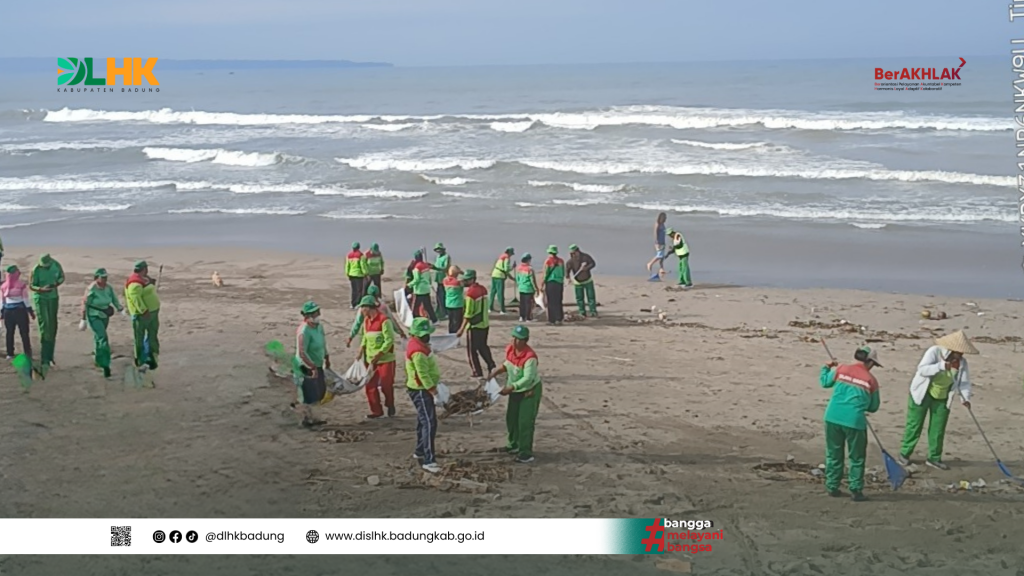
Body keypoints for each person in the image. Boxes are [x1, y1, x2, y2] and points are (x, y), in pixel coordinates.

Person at [899, 331, 978, 470]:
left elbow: (964, 383)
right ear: (952, 348)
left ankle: (934, 458)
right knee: (914, 425)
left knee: (938, 429)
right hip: (922, 393)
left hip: (942, 397)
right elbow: (922, 370)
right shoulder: (934, 352)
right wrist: (940, 366)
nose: (960, 355)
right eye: (958, 352)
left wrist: (965, 398)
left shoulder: (962, 363)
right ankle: (904, 454)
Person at [819, 346, 881, 502]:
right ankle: (855, 490)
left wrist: (826, 367)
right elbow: (873, 407)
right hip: (854, 421)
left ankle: (832, 486)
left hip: (832, 417)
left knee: (833, 454)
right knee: (857, 458)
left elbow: (825, 382)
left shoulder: (841, 369)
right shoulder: (871, 380)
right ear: (869, 362)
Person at [487, 325, 543, 464]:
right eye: (513, 337)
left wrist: (512, 387)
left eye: (518, 339)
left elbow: (528, 378)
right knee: (511, 418)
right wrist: (496, 372)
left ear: (525, 341)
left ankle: (525, 452)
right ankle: (513, 444)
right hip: (515, 391)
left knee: (525, 422)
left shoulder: (530, 357)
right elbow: (508, 363)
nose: (514, 341)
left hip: (528, 391)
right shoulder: (511, 350)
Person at [405, 317, 442, 473]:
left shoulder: (418, 345)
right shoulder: (418, 351)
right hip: (421, 390)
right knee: (429, 423)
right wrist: (433, 391)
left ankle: (420, 450)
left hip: (421, 389)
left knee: (423, 420)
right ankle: (429, 459)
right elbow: (422, 375)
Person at [357, 294, 398, 419]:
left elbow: (389, 340)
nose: (361, 311)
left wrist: (379, 354)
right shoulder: (366, 321)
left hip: (385, 359)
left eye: (363, 308)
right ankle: (376, 411)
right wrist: (361, 349)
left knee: (386, 385)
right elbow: (365, 337)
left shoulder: (384, 320)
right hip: (370, 360)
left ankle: (390, 404)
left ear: (369, 308)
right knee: (370, 386)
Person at [81, 268, 124, 379]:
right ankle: (105, 365)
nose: (105, 279)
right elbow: (85, 303)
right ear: (97, 278)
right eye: (102, 277)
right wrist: (83, 319)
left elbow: (114, 299)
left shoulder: (108, 288)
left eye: (106, 277)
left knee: (98, 337)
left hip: (105, 315)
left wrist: (120, 308)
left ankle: (98, 359)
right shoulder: (92, 289)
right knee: (103, 338)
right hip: (94, 315)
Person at [294, 301, 329, 428]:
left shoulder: (319, 327)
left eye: (318, 312)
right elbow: (302, 352)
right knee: (309, 393)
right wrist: (312, 367)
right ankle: (307, 419)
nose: (317, 315)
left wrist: (326, 357)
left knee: (320, 391)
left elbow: (323, 343)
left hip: (317, 364)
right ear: (307, 316)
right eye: (315, 313)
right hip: (305, 366)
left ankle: (314, 418)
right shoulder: (304, 331)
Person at [456, 269, 495, 378]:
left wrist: (461, 329)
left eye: (466, 280)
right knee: (483, 347)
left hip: (474, 326)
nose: (464, 282)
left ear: (472, 279)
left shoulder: (471, 294)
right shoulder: (483, 289)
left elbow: (468, 314)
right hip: (484, 324)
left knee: (472, 351)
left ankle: (477, 371)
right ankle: (491, 365)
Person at [29, 253, 65, 370]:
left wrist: (55, 284)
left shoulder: (56, 265)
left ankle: (50, 357)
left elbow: (62, 277)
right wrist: (41, 289)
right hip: (41, 299)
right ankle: (44, 358)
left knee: (53, 326)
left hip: (53, 297)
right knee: (45, 327)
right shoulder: (36, 269)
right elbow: (31, 285)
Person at [124, 260, 160, 371]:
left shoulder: (144, 278)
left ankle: (151, 355)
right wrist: (143, 310)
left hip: (153, 312)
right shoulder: (134, 282)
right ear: (144, 269)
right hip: (141, 315)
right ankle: (140, 360)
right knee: (139, 337)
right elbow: (135, 299)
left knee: (152, 334)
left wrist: (151, 283)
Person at [1, 264, 34, 363]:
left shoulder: (3, 286)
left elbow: (2, 301)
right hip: (20, 311)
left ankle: (10, 353)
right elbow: (25, 300)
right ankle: (27, 353)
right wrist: (30, 311)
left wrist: (1, 312)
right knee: (24, 332)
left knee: (9, 333)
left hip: (8, 311)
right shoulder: (21, 285)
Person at [565, 244, 597, 318]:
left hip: (588, 280)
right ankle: (582, 312)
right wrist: (568, 277)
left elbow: (593, 263)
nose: (573, 254)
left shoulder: (586, 257)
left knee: (591, 297)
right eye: (571, 253)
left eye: (574, 253)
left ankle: (593, 311)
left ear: (578, 251)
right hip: (578, 282)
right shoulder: (570, 261)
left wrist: (586, 268)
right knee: (579, 298)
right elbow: (567, 270)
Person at [409, 253, 437, 323]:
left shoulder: (417, 267)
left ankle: (413, 319)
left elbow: (416, 279)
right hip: (426, 289)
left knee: (415, 306)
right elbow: (429, 277)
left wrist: (409, 285)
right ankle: (434, 320)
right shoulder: (426, 266)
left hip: (419, 290)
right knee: (428, 306)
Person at [542, 245, 565, 326]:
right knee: (558, 301)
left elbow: (546, 273)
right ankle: (559, 318)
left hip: (551, 282)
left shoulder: (548, 261)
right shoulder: (561, 261)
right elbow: (563, 272)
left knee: (551, 302)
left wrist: (543, 282)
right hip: (559, 282)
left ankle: (552, 320)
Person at [490, 247, 514, 314]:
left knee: (493, 292)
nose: (511, 255)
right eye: (511, 254)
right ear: (509, 253)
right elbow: (506, 269)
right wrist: (512, 268)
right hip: (500, 276)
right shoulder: (507, 258)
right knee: (500, 293)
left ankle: (490, 308)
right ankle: (502, 310)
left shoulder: (501, 257)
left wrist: (510, 276)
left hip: (494, 274)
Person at [516, 254, 539, 323]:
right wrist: (536, 288)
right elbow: (532, 280)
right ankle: (528, 318)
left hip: (521, 288)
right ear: (528, 260)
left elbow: (517, 279)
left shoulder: (519, 268)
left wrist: (519, 285)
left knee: (522, 303)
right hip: (528, 288)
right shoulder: (530, 269)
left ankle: (521, 316)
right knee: (528, 304)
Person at [345, 242, 368, 309]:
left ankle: (353, 303)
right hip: (359, 275)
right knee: (359, 290)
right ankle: (358, 303)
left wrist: (347, 273)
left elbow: (347, 265)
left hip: (351, 274)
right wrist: (365, 273)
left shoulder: (349, 255)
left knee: (354, 290)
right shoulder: (360, 255)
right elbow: (363, 265)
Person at [646, 212, 669, 281]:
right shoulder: (657, 224)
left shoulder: (663, 224)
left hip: (663, 242)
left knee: (662, 257)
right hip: (658, 242)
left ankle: (661, 269)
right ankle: (650, 264)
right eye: (664, 217)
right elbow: (655, 232)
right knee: (659, 255)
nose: (665, 219)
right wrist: (657, 242)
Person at [443, 265, 465, 334]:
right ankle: (455, 335)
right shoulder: (458, 282)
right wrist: (461, 272)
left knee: (451, 321)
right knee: (457, 322)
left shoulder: (445, 281)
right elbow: (465, 281)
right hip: (457, 304)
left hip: (448, 303)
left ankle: (450, 333)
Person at [431, 243, 451, 321]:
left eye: (439, 249)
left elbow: (445, 268)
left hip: (444, 279)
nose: (438, 251)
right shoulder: (438, 257)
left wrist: (435, 268)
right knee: (438, 296)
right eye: (437, 249)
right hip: (438, 279)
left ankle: (445, 313)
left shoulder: (446, 257)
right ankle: (440, 311)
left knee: (443, 296)